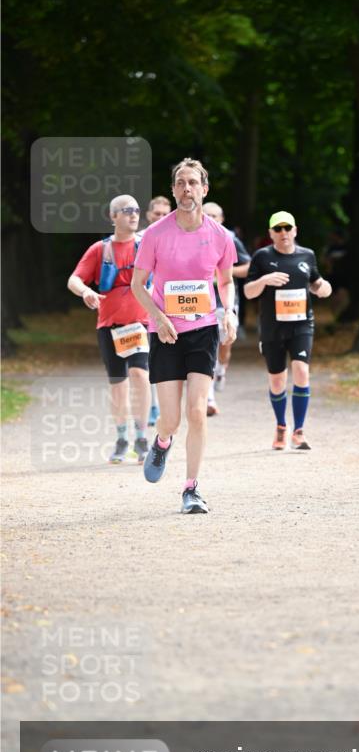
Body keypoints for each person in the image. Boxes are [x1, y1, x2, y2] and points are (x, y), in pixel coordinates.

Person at [131, 158, 237, 514]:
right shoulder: (155, 234)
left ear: (204, 189)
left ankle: (191, 488)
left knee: (196, 411)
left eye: (192, 182)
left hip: (202, 330)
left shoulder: (220, 236)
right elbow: (138, 285)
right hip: (166, 332)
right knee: (171, 419)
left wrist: (228, 311)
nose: (186, 189)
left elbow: (225, 280)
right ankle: (162, 441)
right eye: (180, 183)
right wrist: (158, 318)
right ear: (173, 189)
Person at [67, 194, 151, 464]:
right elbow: (74, 280)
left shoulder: (145, 246)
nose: (134, 214)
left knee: (140, 375)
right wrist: (86, 292)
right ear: (113, 216)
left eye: (136, 210)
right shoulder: (100, 250)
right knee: (118, 384)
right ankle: (122, 439)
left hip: (140, 324)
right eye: (127, 210)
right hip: (109, 326)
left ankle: (142, 438)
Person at [244, 211, 332, 451]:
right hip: (272, 327)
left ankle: (299, 431)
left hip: (302, 324)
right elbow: (249, 292)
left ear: (295, 231)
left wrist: (323, 287)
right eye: (278, 229)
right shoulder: (262, 257)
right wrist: (265, 280)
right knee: (277, 380)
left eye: (287, 228)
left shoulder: (307, 255)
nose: (283, 232)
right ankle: (281, 426)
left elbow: (316, 282)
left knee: (302, 371)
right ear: (271, 233)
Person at [202, 202, 251, 416]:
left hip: (227, 302)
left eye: (215, 216)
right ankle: (209, 398)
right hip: (201, 303)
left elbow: (248, 266)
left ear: (221, 219)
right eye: (207, 215)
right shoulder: (192, 238)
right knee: (207, 349)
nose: (211, 219)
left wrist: (224, 272)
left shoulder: (230, 238)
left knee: (224, 345)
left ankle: (221, 370)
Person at [144, 196, 172, 424]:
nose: (161, 218)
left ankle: (168, 407)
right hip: (145, 305)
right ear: (148, 215)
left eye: (165, 214)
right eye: (157, 214)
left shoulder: (178, 237)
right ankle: (153, 406)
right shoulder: (141, 239)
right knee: (148, 357)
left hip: (172, 307)